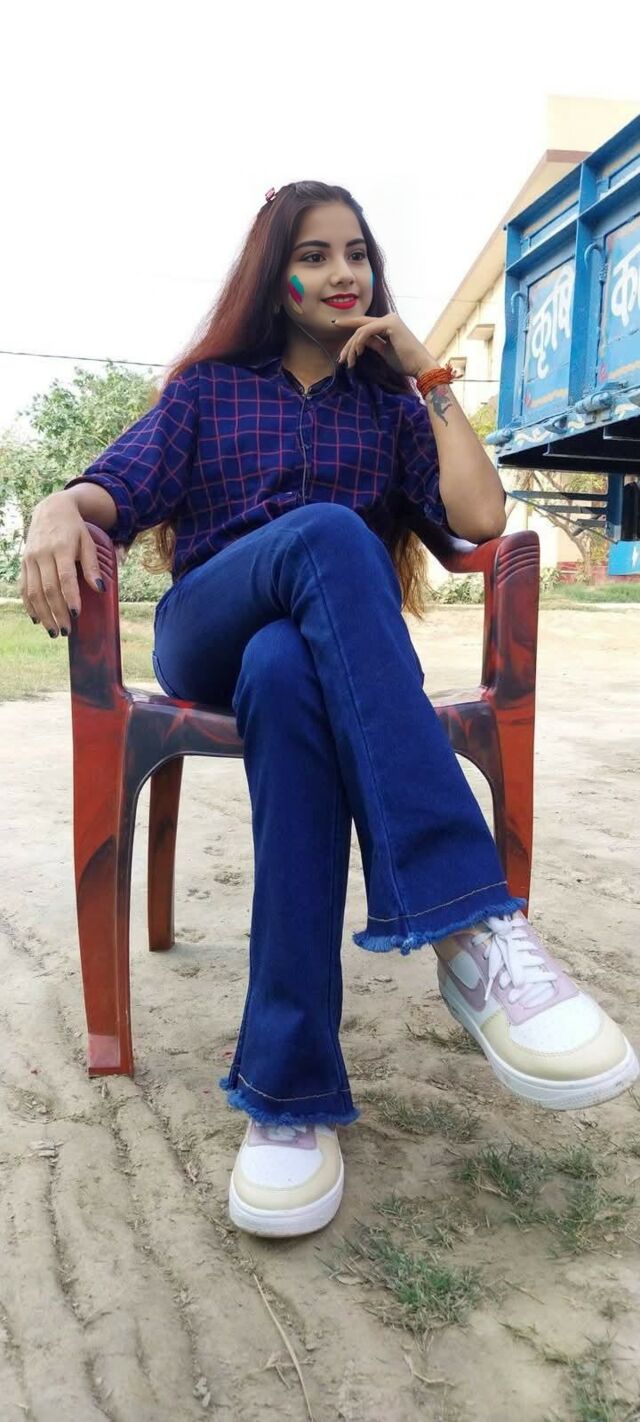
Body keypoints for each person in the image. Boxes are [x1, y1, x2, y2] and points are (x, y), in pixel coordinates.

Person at [19, 181, 639, 1240]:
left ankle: (288, 1092)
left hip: (308, 659)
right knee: (325, 536)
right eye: (314, 255)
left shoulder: (390, 408)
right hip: (206, 627)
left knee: (288, 673)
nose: (342, 272)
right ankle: (470, 921)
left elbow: (481, 517)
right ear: (277, 278)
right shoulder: (211, 391)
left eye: (356, 252)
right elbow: (110, 491)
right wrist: (52, 505)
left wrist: (428, 376)